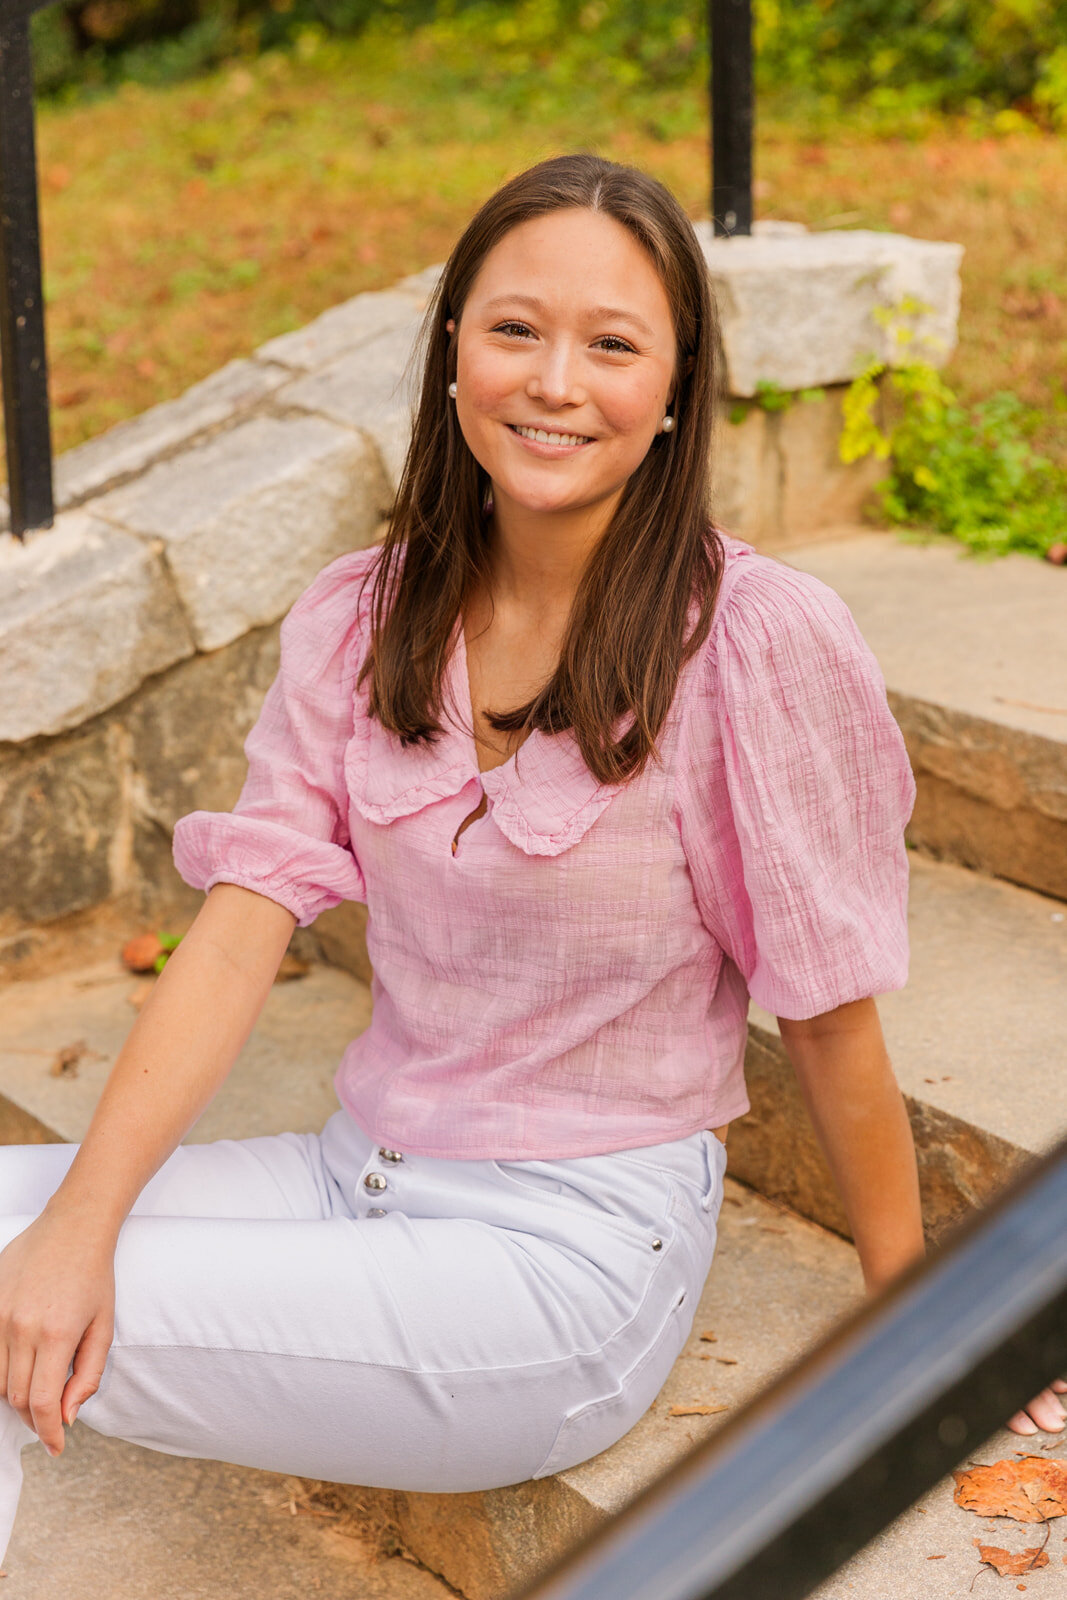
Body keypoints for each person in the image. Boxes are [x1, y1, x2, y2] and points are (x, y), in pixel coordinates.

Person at [0, 153, 1061, 1566]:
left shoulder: (749, 642)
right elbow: (243, 929)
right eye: (516, 329)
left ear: (675, 389)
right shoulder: (361, 616)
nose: (556, 380)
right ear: (453, 351)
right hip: (352, 1175)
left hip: (563, 1262)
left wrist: (919, 1324)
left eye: (613, 345)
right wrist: (80, 1217)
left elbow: (825, 1007)